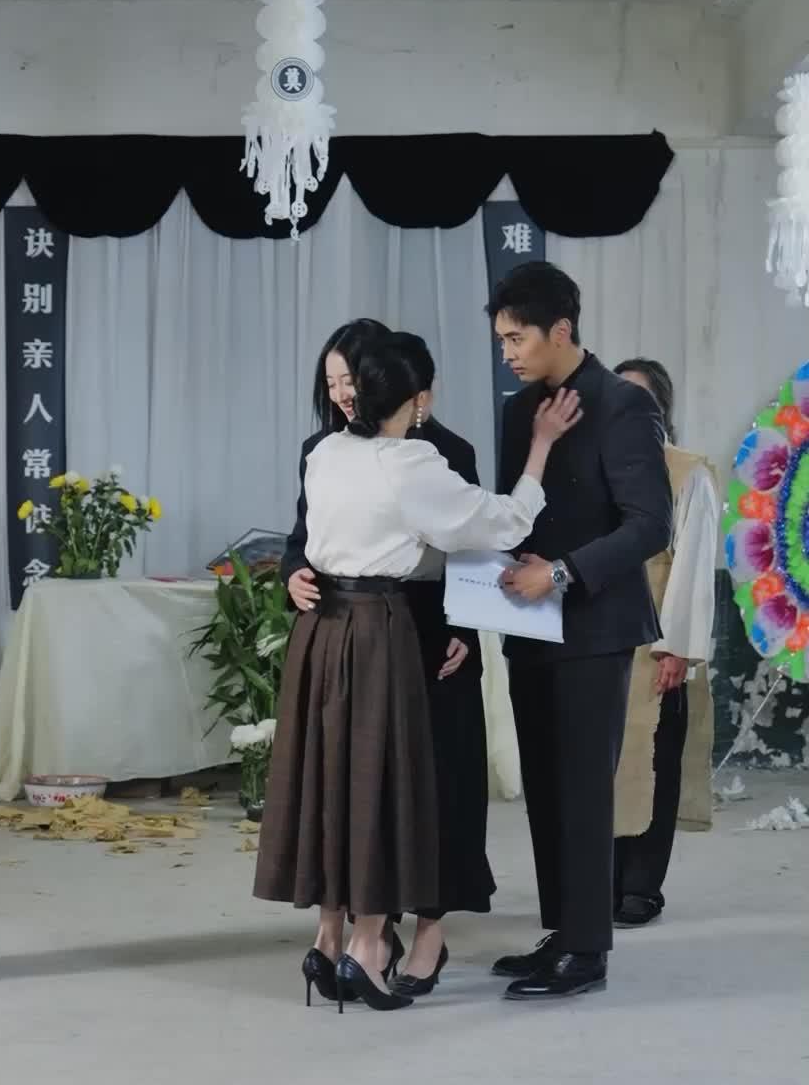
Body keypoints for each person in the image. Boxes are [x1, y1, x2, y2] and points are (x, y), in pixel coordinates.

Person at [255, 330, 580, 1012]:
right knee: (381, 787)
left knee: (337, 782)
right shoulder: (414, 463)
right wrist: (542, 446)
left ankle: (329, 938)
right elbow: (506, 524)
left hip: (326, 634)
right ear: (415, 398)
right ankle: (369, 947)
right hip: (383, 630)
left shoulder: (326, 453)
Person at [280, 321, 494, 992]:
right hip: (359, 635)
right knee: (362, 790)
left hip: (435, 640)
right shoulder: (324, 450)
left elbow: (476, 547)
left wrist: (465, 628)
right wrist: (293, 574)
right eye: (331, 383)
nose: (343, 394)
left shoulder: (446, 451)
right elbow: (302, 536)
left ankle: (430, 932)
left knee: (442, 788)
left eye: (352, 380)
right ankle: (363, 932)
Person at [489, 262, 672, 1001]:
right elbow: (513, 512)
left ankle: (588, 950)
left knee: (584, 787)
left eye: (517, 338)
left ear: (560, 329)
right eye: (502, 340)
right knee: (544, 783)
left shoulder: (622, 404)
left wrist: (561, 572)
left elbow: (649, 525)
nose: (507, 352)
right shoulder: (518, 413)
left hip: (594, 625)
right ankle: (563, 929)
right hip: (527, 623)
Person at [611, 358, 719, 927]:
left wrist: (676, 646)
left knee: (655, 760)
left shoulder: (687, 472)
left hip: (656, 636)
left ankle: (641, 885)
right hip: (605, 635)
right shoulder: (600, 465)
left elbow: (694, 564)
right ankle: (602, 880)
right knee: (605, 764)